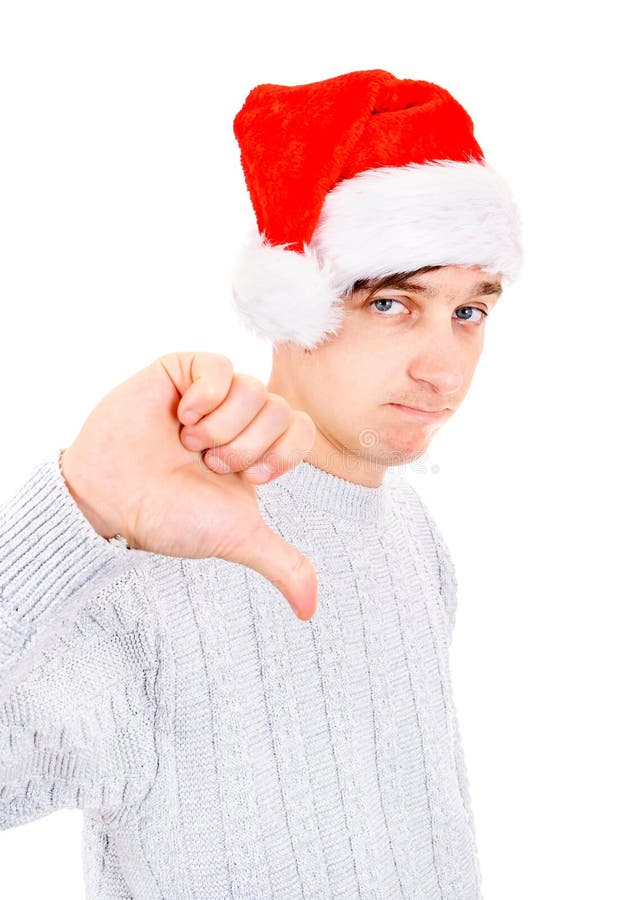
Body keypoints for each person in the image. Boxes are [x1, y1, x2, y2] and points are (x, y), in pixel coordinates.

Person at [0, 69, 523, 899]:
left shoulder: (411, 531)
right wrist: (73, 508)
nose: (441, 368)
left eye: (468, 311)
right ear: (295, 306)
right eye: (391, 304)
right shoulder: (159, 565)